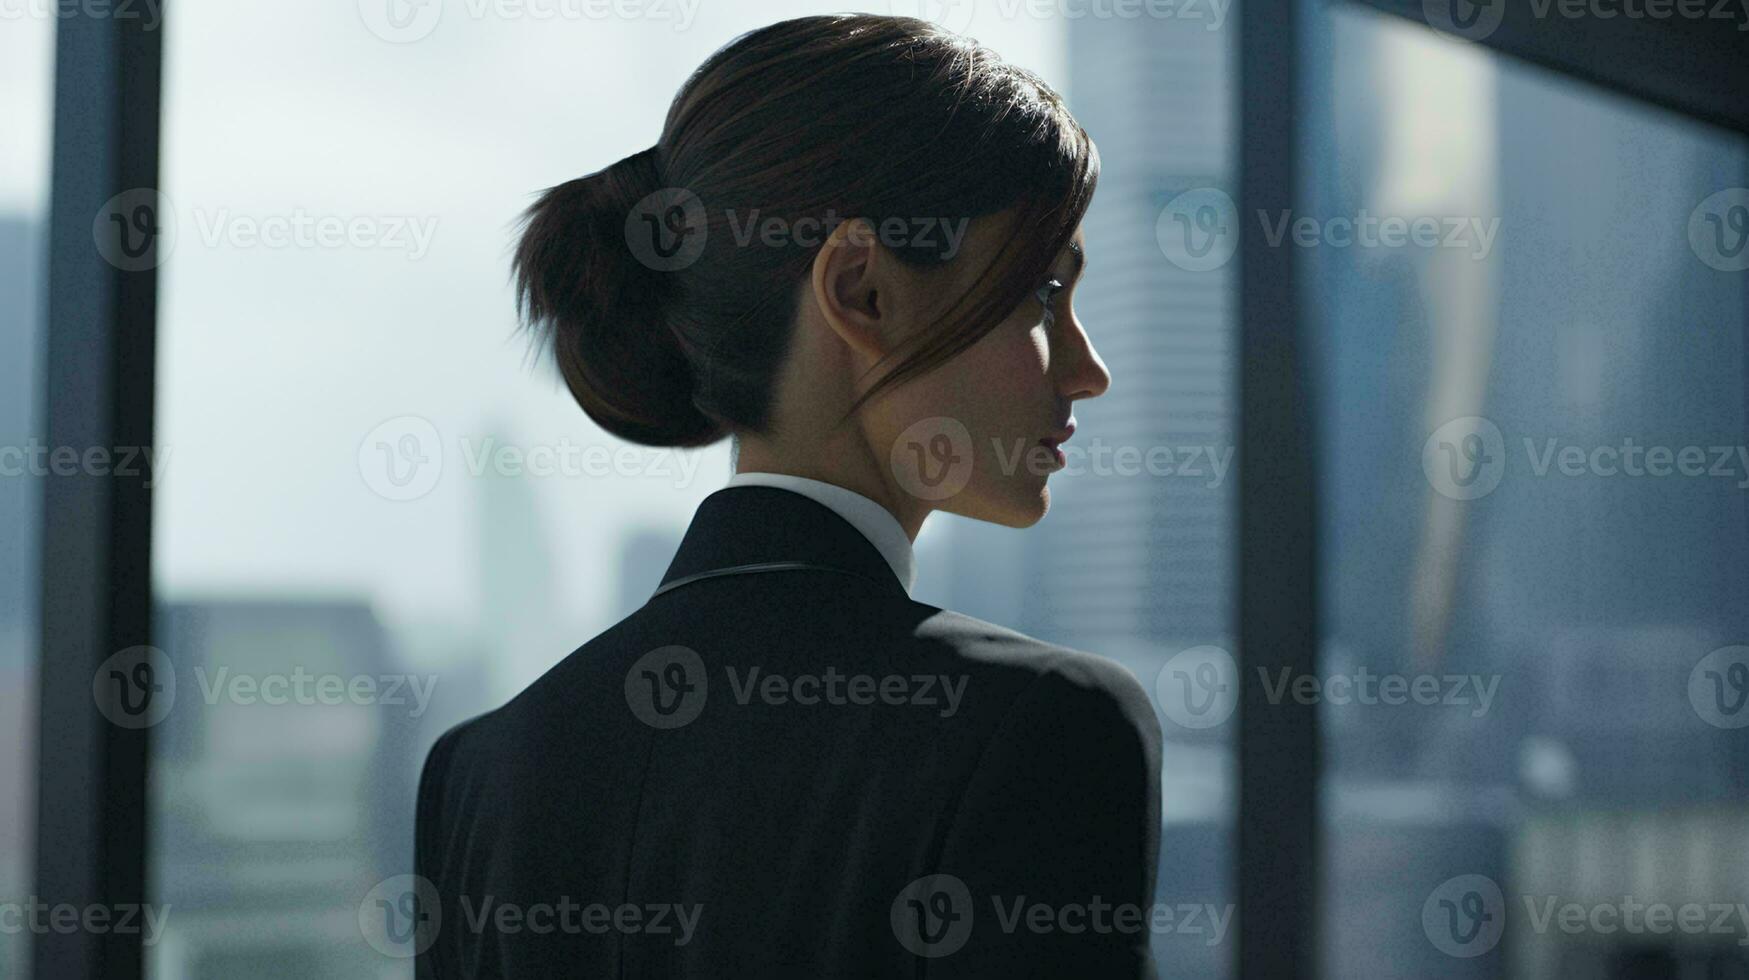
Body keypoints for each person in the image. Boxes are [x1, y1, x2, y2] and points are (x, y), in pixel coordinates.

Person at [415, 14, 1162, 977]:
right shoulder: (1043, 725)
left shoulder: (479, 772)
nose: (1086, 368)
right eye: (1042, 295)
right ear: (861, 291)